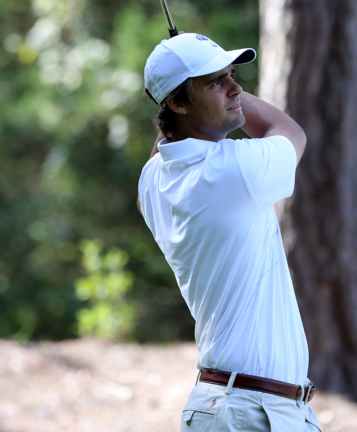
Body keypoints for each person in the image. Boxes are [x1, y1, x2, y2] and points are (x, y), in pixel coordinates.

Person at [137, 32, 322, 432]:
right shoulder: (233, 170)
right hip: (254, 411)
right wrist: (215, 87)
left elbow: (165, 145)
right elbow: (289, 132)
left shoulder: (152, 182)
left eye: (232, 74)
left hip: (234, 407)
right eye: (218, 82)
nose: (236, 87)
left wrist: (198, 82)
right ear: (178, 102)